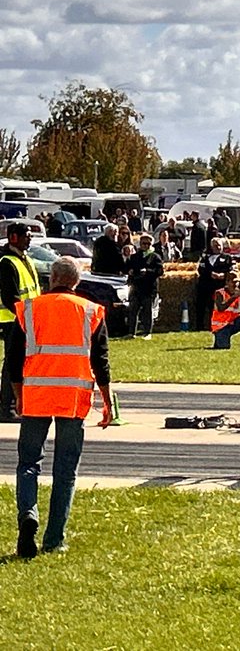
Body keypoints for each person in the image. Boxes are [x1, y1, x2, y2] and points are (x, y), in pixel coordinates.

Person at [8, 256, 112, 557]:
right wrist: (107, 404)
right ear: (77, 281)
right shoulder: (91, 311)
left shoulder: (29, 309)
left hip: (36, 395)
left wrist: (18, 394)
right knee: (65, 471)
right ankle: (54, 540)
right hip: (72, 399)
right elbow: (101, 363)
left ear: (51, 278)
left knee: (29, 463)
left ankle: (28, 513)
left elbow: (13, 360)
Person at [0, 223, 41, 423]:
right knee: (12, 364)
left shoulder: (26, 260)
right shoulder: (6, 262)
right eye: (26, 235)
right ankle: (6, 408)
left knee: (24, 363)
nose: (30, 239)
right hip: (12, 320)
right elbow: (10, 297)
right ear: (13, 237)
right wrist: (26, 315)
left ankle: (20, 403)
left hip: (28, 320)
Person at [126, 233, 164, 339]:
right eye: (143, 243)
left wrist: (148, 271)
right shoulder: (134, 257)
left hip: (149, 288)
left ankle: (147, 332)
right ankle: (131, 332)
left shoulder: (155, 257)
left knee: (148, 311)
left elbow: (160, 271)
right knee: (133, 310)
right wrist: (130, 271)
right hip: (136, 287)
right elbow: (127, 267)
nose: (146, 245)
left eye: (148, 243)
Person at [195, 238, 234, 332]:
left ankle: (216, 326)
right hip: (204, 286)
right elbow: (200, 269)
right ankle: (199, 326)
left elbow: (233, 270)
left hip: (219, 286)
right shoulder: (205, 257)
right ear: (211, 247)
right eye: (215, 245)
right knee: (201, 306)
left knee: (216, 306)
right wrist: (210, 274)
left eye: (219, 245)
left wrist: (223, 275)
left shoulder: (227, 258)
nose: (218, 247)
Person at [211, 271, 240, 350]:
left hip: (233, 323)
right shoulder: (220, 293)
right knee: (223, 347)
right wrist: (233, 297)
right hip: (221, 326)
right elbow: (221, 308)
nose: (236, 284)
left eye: (237, 282)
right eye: (233, 282)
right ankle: (218, 340)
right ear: (227, 282)